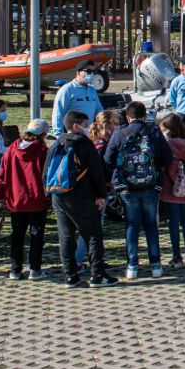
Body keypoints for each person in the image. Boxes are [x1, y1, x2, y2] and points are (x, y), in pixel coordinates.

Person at [50, 110, 117, 288]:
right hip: (83, 197)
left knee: (65, 236)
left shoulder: (57, 144)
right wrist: (101, 195)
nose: (87, 127)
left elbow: (46, 174)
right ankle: (98, 274)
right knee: (93, 234)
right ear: (75, 125)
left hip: (59, 196)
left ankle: (70, 276)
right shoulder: (84, 145)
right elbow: (97, 172)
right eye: (85, 124)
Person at [105, 100, 170, 279]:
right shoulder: (154, 132)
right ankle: (156, 266)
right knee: (151, 225)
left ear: (128, 116)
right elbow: (168, 158)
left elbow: (108, 160)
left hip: (127, 187)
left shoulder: (120, 133)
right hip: (151, 185)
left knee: (132, 225)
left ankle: (132, 266)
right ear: (144, 115)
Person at [0, 118, 51, 280]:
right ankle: (35, 268)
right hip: (37, 200)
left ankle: (15, 269)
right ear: (43, 134)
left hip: (16, 199)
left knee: (17, 236)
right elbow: (46, 175)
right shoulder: (42, 150)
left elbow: (2, 174)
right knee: (36, 236)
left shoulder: (12, 149)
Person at [158, 111, 185, 268]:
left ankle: (177, 257)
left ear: (169, 129)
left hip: (172, 189)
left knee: (174, 223)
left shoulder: (169, 145)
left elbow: (164, 165)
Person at [52, 63, 103, 134]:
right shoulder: (67, 89)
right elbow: (58, 113)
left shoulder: (92, 90)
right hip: (72, 134)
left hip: (88, 134)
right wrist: (59, 135)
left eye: (93, 72)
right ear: (78, 72)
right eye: (88, 71)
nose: (91, 74)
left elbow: (99, 111)